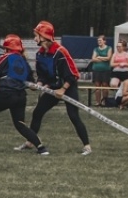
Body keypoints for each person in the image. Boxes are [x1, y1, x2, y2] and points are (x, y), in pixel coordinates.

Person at [26, 21, 91, 155]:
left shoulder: (60, 52)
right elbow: (43, 75)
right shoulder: (40, 54)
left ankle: (87, 146)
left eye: (36, 35)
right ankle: (30, 142)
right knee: (37, 112)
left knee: (73, 116)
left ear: (44, 36)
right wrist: (39, 84)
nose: (34, 38)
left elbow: (73, 75)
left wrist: (63, 89)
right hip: (53, 88)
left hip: (68, 87)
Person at [0, 35, 46, 154]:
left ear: (7, 48)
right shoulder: (24, 61)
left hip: (6, 94)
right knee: (20, 123)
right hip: (20, 96)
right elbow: (31, 84)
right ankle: (41, 147)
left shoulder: (6, 57)